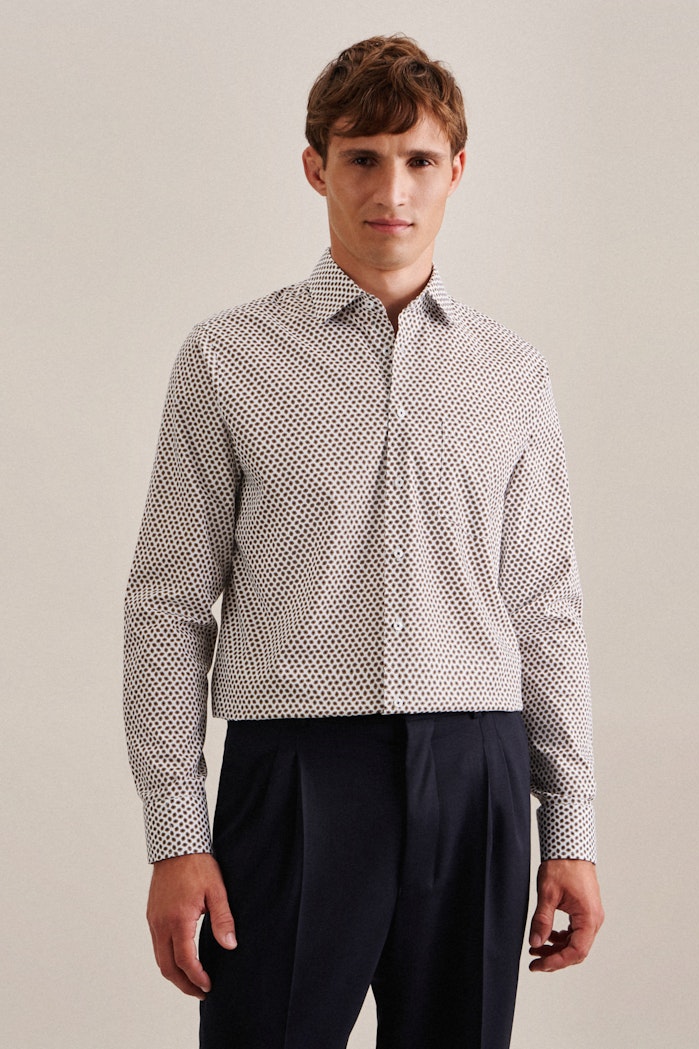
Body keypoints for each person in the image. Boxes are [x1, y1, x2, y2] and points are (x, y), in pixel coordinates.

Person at [123, 33, 604, 1049]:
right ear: (316, 167)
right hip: (293, 771)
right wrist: (174, 833)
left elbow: (544, 606)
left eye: (418, 159)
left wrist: (569, 827)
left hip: (476, 772)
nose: (392, 189)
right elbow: (167, 604)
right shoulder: (228, 357)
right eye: (362, 157)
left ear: (455, 170)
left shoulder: (512, 372)